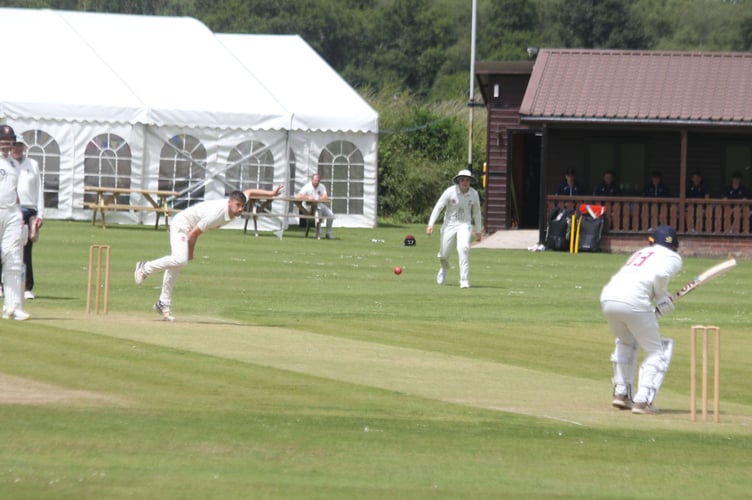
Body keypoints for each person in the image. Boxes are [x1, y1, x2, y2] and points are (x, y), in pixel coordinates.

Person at [134, 184, 284, 321]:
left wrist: (271, 193)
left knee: (176, 265)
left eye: (242, 206)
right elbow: (194, 233)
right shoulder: (218, 214)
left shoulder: (237, 202)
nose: (240, 209)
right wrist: (191, 252)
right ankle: (145, 267)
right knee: (180, 260)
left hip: (188, 227)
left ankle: (163, 303)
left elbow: (250, 191)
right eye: (238, 205)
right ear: (229, 202)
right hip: (182, 225)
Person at [600, 225, 682, 414]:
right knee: (656, 351)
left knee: (625, 341)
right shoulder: (673, 257)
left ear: (652, 241)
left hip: (609, 298)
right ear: (675, 246)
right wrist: (662, 297)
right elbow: (661, 275)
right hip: (634, 301)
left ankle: (621, 394)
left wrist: (659, 301)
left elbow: (641, 281)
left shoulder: (641, 253)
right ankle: (643, 401)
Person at [426, 169, 482, 289]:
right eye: (462, 179)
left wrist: (478, 230)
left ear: (470, 181)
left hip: (464, 225)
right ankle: (444, 268)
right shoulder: (450, 192)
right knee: (443, 255)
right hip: (449, 224)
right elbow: (438, 207)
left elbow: (477, 213)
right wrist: (431, 224)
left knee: (464, 248)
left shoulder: (473, 194)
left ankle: (464, 280)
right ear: (458, 180)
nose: (465, 182)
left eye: (467, 180)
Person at [0, 125, 29, 320]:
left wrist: (22, 217)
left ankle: (13, 306)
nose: (5, 145)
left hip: (11, 212)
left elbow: (15, 193)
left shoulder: (14, 165)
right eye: (2, 141)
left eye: (8, 142)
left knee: (13, 258)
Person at [10, 141, 43, 300]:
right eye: (15, 145)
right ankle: (3, 285)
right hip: (9, 210)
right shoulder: (6, 164)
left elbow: (39, 190)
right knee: (6, 247)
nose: (17, 148)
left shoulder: (33, 164)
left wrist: (40, 214)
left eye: (20, 146)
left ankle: (27, 287)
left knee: (26, 250)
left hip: (29, 210)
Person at [296, 173, 335, 239]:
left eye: (318, 181)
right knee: (318, 213)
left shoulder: (322, 186)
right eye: (315, 180)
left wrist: (317, 199)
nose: (316, 182)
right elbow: (298, 196)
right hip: (308, 206)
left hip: (319, 204)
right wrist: (307, 197)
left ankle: (328, 233)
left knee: (331, 215)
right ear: (312, 180)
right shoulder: (307, 186)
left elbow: (325, 197)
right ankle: (318, 234)